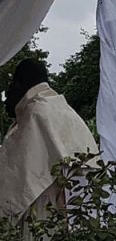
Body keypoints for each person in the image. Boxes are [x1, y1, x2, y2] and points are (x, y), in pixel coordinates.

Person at [0, 58, 98, 237]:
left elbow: (17, 183)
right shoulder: (64, 110)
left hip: (43, 208)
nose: (7, 95)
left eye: (11, 86)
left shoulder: (35, 114)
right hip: (76, 210)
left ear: (19, 84)